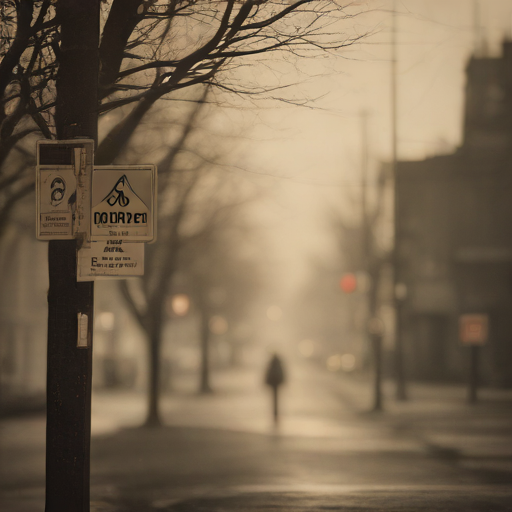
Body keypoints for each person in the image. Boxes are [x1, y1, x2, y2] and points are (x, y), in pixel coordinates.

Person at [264, 353, 286, 424]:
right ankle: (275, 415)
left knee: (274, 400)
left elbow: (268, 373)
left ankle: (275, 415)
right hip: (276, 384)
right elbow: (282, 373)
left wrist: (267, 382)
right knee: (276, 400)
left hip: (273, 384)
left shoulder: (271, 364)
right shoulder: (279, 364)